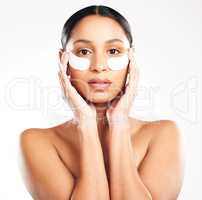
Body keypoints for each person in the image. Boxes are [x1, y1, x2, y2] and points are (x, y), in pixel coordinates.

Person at [19, 5, 185, 200]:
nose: (98, 66)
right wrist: (86, 124)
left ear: (131, 59)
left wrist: (119, 122)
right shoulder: (36, 142)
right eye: (83, 52)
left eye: (113, 51)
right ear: (64, 60)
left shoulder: (163, 134)